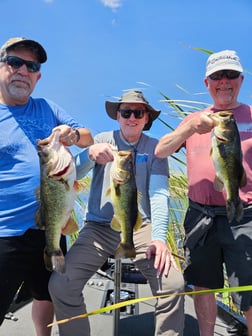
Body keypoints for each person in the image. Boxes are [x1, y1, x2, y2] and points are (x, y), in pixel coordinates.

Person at [49, 90, 185, 335]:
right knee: (61, 284)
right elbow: (73, 176)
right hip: (97, 229)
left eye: (138, 112)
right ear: (118, 116)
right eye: (126, 112)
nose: (131, 117)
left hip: (140, 227)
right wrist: (89, 156)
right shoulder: (102, 139)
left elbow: (159, 195)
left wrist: (159, 239)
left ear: (146, 118)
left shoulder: (156, 149)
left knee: (173, 283)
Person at [0, 37, 93, 336]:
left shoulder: (47, 107)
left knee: (45, 294)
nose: (22, 71)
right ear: (1, 67)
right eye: (15, 62)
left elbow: (88, 136)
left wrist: (73, 134)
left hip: (49, 227)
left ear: (38, 76)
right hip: (5, 233)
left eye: (32, 66)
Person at [155, 50, 252, 336]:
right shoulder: (195, 120)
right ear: (207, 82)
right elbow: (161, 151)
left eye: (231, 75)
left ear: (241, 79)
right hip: (200, 216)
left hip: (245, 215)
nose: (224, 82)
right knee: (203, 284)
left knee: (248, 287)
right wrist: (188, 128)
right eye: (217, 76)